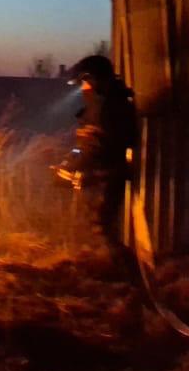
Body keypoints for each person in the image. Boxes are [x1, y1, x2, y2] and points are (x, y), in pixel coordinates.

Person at [57, 55, 146, 321]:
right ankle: (110, 280)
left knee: (102, 228)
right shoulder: (97, 106)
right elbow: (84, 142)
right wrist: (69, 163)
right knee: (93, 227)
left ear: (95, 80)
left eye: (85, 82)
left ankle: (134, 286)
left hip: (107, 176)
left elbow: (105, 147)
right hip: (97, 174)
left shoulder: (114, 108)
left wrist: (82, 169)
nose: (82, 88)